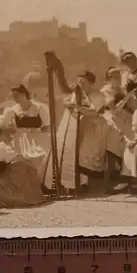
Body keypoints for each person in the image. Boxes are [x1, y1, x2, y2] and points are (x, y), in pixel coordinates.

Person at [45, 54, 109, 193]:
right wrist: (70, 101)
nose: (81, 86)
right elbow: (66, 101)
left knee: (81, 152)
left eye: (84, 83)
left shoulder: (99, 95)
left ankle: (83, 184)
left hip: (95, 127)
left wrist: (76, 106)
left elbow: (93, 112)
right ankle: (73, 183)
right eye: (79, 83)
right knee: (71, 148)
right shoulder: (80, 93)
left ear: (92, 83)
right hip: (82, 125)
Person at [0, 124, 46, 208]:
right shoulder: (0, 147)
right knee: (23, 165)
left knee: (20, 164)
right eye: (7, 134)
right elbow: (20, 159)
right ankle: (30, 195)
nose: (11, 136)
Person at [0, 84, 51, 181]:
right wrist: (9, 135)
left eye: (16, 95)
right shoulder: (12, 110)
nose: (15, 98)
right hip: (21, 142)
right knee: (23, 163)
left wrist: (37, 130)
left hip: (39, 140)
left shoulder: (40, 108)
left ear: (24, 94)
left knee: (43, 159)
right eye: (13, 96)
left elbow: (48, 126)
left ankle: (41, 185)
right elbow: (2, 127)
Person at [101, 66, 137, 183]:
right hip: (111, 117)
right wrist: (128, 96)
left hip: (125, 117)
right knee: (116, 136)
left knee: (134, 135)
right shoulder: (105, 91)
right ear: (108, 78)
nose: (117, 78)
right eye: (114, 76)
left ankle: (129, 174)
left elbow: (130, 107)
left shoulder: (122, 89)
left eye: (118, 76)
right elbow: (114, 110)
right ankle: (112, 175)